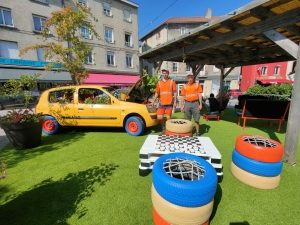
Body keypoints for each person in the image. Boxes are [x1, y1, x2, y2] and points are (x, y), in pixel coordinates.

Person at [151, 69, 177, 134]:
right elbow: (157, 93)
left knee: (168, 119)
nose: (165, 74)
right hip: (161, 103)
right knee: (159, 117)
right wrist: (153, 101)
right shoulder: (159, 83)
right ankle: (163, 127)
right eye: (163, 73)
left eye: (166, 73)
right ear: (162, 74)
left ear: (168, 73)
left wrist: (175, 101)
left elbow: (175, 92)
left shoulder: (172, 81)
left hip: (169, 103)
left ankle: (168, 130)